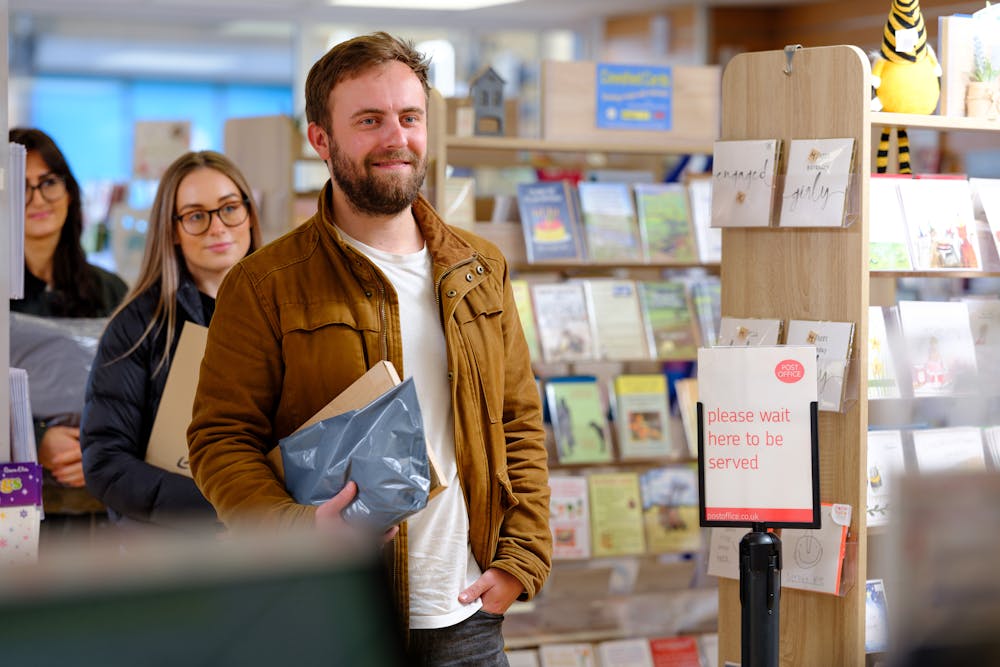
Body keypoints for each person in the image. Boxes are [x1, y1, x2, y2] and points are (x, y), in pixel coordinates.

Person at [187, 32, 551, 664]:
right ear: (321, 140)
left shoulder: (479, 268)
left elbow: (517, 421)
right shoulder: (264, 283)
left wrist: (524, 556)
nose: (396, 138)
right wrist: (298, 532)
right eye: (369, 120)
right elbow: (219, 441)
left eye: (410, 117)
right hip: (328, 616)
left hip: (466, 614)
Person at [80, 151, 261, 531]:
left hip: (272, 544)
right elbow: (106, 465)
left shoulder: (283, 314)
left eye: (229, 208)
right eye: (196, 216)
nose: (217, 227)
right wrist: (225, 507)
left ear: (249, 212)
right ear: (173, 231)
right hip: (174, 552)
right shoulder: (137, 328)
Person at [9, 127, 129, 537]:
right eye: (20, 187)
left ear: (70, 191)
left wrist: (99, 446)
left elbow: (143, 391)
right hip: (14, 506)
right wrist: (37, 440)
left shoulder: (111, 290)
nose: (37, 199)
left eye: (48, 182)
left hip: (99, 500)